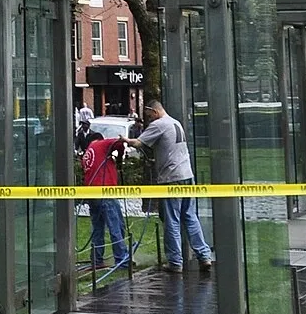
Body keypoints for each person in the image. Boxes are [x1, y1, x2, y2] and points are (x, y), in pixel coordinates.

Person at [129, 100, 213, 274]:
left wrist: (123, 140)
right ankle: (204, 255)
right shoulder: (176, 122)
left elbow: (138, 143)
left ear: (154, 111)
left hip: (171, 179)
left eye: (149, 114)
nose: (148, 119)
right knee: (190, 217)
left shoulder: (159, 124)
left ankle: (175, 262)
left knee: (172, 220)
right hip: (187, 175)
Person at [81, 128, 129, 270]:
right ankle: (122, 259)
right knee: (116, 226)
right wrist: (119, 158)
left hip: (92, 194)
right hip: (105, 192)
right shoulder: (101, 144)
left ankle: (97, 260)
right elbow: (120, 143)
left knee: (98, 228)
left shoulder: (86, 154)